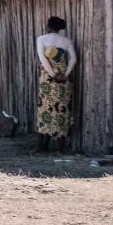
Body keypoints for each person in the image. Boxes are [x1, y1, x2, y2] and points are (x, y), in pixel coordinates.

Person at [36, 15, 78, 150]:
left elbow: (43, 59)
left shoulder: (42, 39)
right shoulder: (67, 41)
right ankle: (61, 147)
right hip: (63, 80)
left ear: (48, 26)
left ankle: (43, 145)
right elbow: (73, 59)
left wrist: (53, 75)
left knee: (45, 109)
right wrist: (65, 75)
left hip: (48, 79)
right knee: (62, 110)